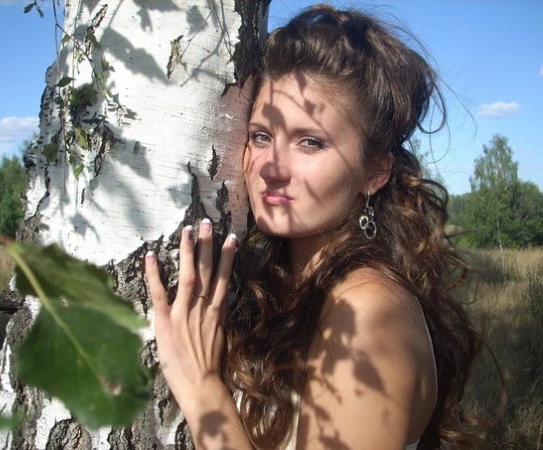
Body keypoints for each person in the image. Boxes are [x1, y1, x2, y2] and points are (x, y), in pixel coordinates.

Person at [145, 4, 483, 449]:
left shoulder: (369, 315)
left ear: (374, 173)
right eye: (262, 136)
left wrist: (200, 389)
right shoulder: (277, 283)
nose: (271, 167)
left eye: (310, 142)